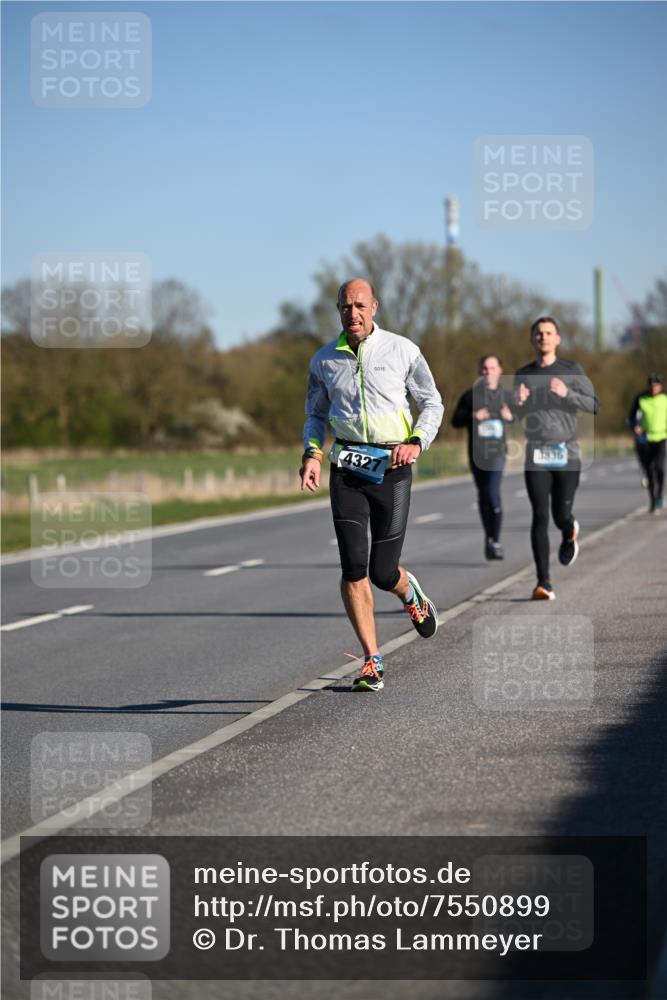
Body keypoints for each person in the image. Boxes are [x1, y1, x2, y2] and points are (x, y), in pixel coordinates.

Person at [300, 278, 444, 692]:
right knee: (352, 566)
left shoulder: (403, 350)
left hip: (392, 466)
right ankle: (371, 659)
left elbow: (432, 401)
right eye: (346, 307)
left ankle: (410, 593)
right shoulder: (324, 360)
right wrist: (311, 453)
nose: (354, 313)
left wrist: (417, 441)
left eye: (361, 306)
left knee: (382, 572)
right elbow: (315, 414)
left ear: (375, 307)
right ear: (338, 310)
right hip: (346, 467)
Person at [513, 316, 599, 601]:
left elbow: (594, 405)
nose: (543, 337)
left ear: (557, 339)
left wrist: (568, 393)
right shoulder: (523, 373)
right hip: (536, 452)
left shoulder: (571, 369)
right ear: (532, 338)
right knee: (539, 515)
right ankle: (543, 582)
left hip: (567, 453)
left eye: (549, 333)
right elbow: (515, 416)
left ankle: (568, 529)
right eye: (538, 333)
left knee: (560, 514)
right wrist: (518, 403)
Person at [451, 355, 514, 560]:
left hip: (497, 454)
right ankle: (489, 538)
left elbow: (521, 416)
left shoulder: (506, 396)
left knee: (492, 492)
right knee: (483, 495)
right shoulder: (471, 396)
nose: (488, 372)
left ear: (500, 370)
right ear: (480, 371)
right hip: (476, 454)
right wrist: (472, 416)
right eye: (484, 368)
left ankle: (495, 540)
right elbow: (455, 421)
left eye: (492, 368)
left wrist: (510, 417)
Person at [632, 373, 666, 513]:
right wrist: (635, 426)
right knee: (649, 469)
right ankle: (652, 500)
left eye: (656, 386)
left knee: (659, 468)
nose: (654, 388)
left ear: (661, 386)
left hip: (661, 437)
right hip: (645, 439)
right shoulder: (641, 399)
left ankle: (659, 496)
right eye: (651, 386)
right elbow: (631, 417)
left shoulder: (665, 399)